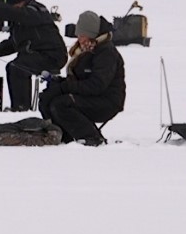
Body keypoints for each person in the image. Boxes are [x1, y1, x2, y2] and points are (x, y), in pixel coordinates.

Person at [40, 9, 126, 145]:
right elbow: (80, 81)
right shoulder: (86, 50)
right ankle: (63, 136)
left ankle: (91, 138)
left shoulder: (106, 53)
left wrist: (65, 87)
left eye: (82, 35)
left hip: (107, 101)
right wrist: (59, 83)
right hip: (91, 96)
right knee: (46, 99)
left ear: (91, 35)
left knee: (61, 104)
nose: (79, 39)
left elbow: (97, 85)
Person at [0, 0, 67, 112]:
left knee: (17, 68)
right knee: (14, 67)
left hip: (52, 55)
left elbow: (19, 14)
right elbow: (14, 43)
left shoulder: (35, 10)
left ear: (20, 4)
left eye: (13, 9)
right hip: (36, 55)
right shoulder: (20, 21)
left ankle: (21, 109)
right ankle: (18, 106)